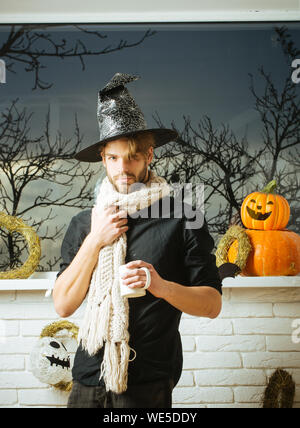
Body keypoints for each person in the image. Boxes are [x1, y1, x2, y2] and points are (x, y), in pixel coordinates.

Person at [53, 72, 222, 408]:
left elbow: (212, 304)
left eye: (132, 156)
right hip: (88, 377)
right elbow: (64, 304)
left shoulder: (183, 218)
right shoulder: (84, 223)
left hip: (147, 382)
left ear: (149, 155)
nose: (123, 169)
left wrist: (160, 286)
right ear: (103, 158)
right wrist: (96, 240)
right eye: (113, 158)